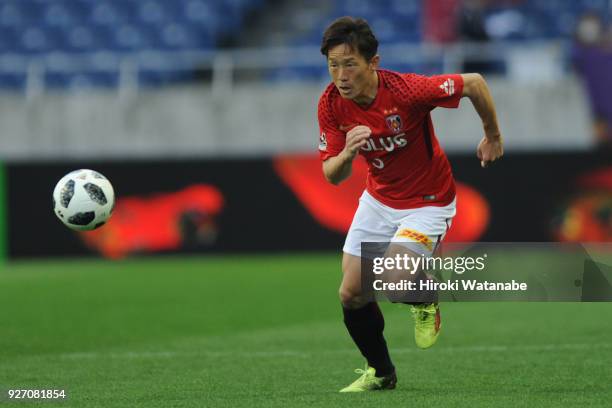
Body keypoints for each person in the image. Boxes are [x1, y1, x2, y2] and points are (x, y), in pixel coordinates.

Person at [317, 16, 503, 392]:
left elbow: (474, 83)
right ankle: (382, 373)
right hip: (378, 198)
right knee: (351, 294)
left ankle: (425, 298)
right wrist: (349, 153)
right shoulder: (332, 104)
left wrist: (492, 136)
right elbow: (332, 174)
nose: (341, 75)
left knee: (394, 280)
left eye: (349, 64)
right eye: (333, 65)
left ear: (373, 62)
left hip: (428, 201)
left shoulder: (407, 91)